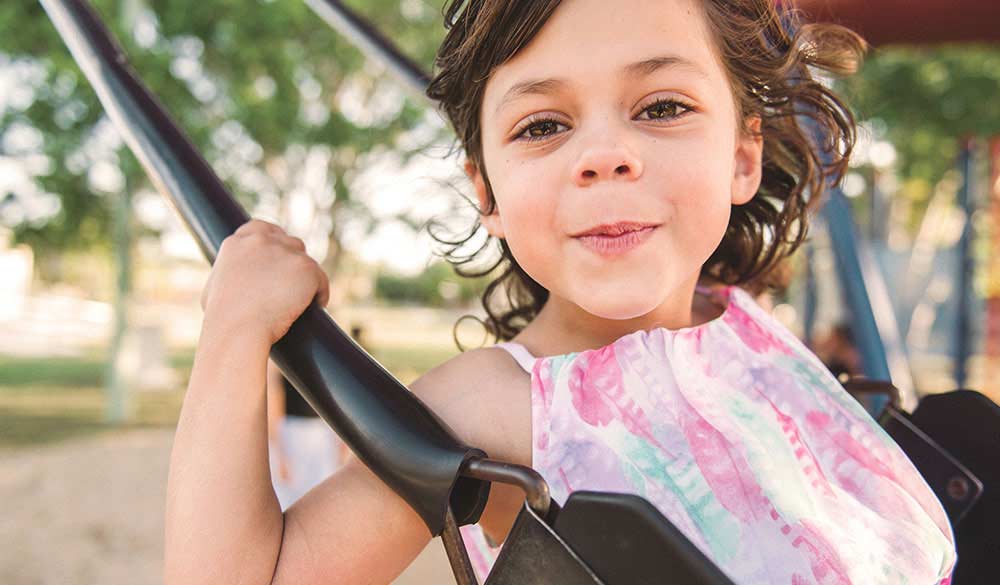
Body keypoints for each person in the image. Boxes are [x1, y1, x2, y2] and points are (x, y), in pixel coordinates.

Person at [164, 1, 957, 583]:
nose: (606, 155)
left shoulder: (746, 328)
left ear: (743, 155)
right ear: (488, 192)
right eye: (544, 125)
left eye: (663, 107)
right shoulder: (498, 406)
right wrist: (234, 330)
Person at [266, 359, 350, 510]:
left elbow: (333, 391)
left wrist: (341, 439)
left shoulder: (322, 345)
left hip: (323, 432)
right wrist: (278, 450)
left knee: (324, 499)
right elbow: (274, 394)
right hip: (290, 433)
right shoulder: (278, 351)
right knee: (289, 498)